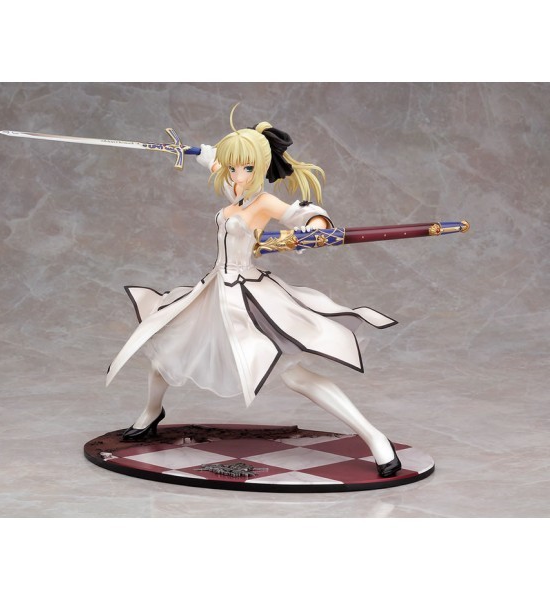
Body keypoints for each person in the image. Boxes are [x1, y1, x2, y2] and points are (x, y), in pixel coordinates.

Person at [106, 106, 401, 477]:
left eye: (246, 168)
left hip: (246, 296)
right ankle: (151, 413)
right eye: (234, 168)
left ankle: (375, 438)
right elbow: (214, 161)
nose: (237, 175)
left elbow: (297, 214)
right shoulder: (234, 188)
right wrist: (194, 152)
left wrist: (316, 224)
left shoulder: (263, 201)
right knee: (165, 348)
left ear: (260, 167)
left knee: (295, 376)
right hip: (214, 289)